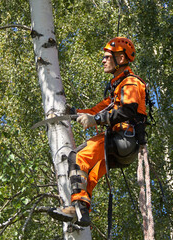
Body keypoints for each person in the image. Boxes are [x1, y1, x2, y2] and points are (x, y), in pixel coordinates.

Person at [48, 37, 147, 227]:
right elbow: (95, 111)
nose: (103, 60)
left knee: (77, 157)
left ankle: (77, 207)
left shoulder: (131, 82)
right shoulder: (116, 89)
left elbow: (128, 110)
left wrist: (97, 120)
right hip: (123, 146)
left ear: (120, 58)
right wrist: (73, 113)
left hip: (123, 138)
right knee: (90, 174)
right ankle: (80, 211)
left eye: (107, 57)